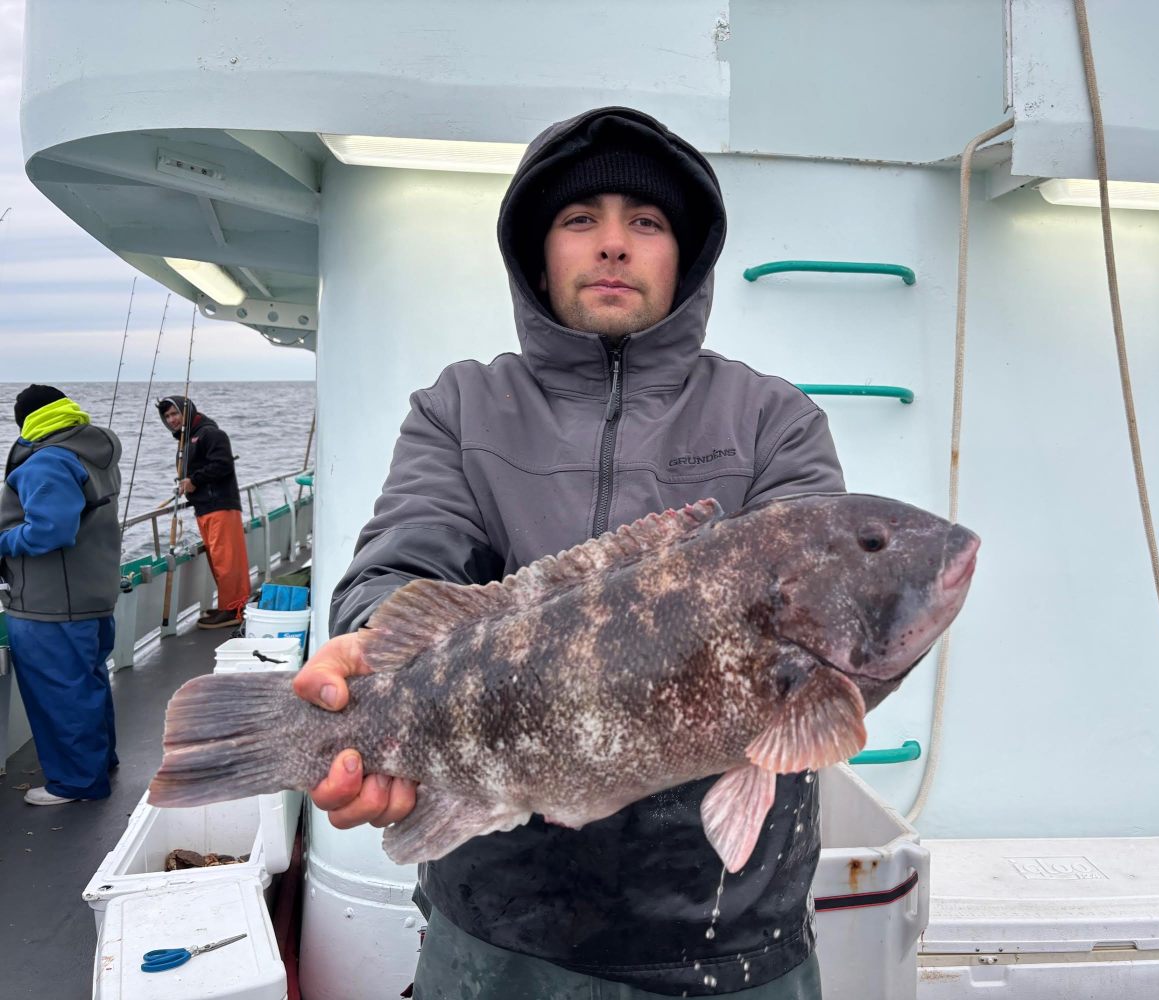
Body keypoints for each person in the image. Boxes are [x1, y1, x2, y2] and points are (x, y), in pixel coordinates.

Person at [294, 107, 845, 997]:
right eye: (580, 219)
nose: (613, 244)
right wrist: (372, 642)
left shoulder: (772, 418)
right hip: (498, 919)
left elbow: (814, 608)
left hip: (731, 925)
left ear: (684, 255)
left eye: (647, 222)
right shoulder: (459, 407)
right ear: (537, 252)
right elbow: (405, 557)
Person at [0, 385, 121, 805]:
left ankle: (76, 782)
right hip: (91, 593)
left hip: (51, 602)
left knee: (60, 693)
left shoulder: (47, 460)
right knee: (88, 683)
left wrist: (3, 540)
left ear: (25, 421)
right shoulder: (90, 449)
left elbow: (51, 531)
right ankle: (99, 763)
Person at [156, 396, 250, 629]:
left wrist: (194, 480)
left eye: (175, 413)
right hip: (205, 507)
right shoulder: (188, 439)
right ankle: (228, 605)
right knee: (217, 559)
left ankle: (234, 609)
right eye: (167, 416)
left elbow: (223, 464)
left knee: (227, 561)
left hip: (220, 505)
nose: (171, 420)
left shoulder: (209, 433)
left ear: (187, 412)